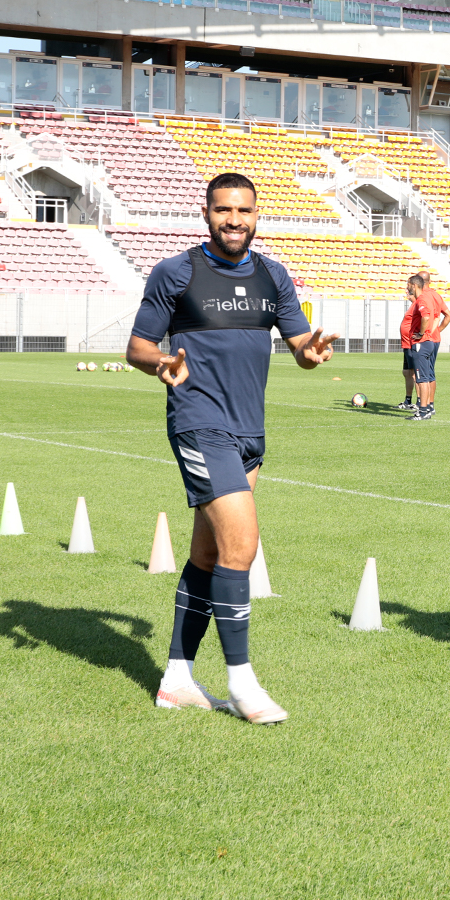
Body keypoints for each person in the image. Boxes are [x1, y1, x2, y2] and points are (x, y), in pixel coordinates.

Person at [127, 172, 337, 725]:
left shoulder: (273, 274)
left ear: (256, 215)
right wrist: (161, 364)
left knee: (209, 555)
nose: (234, 221)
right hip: (199, 424)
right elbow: (138, 346)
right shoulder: (176, 273)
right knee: (241, 546)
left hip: (250, 432)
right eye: (224, 211)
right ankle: (243, 685)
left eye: (244, 211)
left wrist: (310, 353)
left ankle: (176, 679)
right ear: (206, 213)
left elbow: (297, 344)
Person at [409, 270, 450, 420]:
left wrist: (423, 333)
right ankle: (428, 406)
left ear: (416, 283)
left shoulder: (423, 297)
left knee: (421, 377)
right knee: (429, 375)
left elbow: (426, 316)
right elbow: (445, 315)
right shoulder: (434, 295)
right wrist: (436, 331)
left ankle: (423, 408)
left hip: (423, 341)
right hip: (433, 340)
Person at [397, 274, 424, 411]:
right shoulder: (413, 305)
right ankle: (408, 400)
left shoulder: (420, 303)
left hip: (412, 343)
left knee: (415, 373)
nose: (408, 292)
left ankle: (420, 402)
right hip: (406, 343)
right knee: (406, 372)